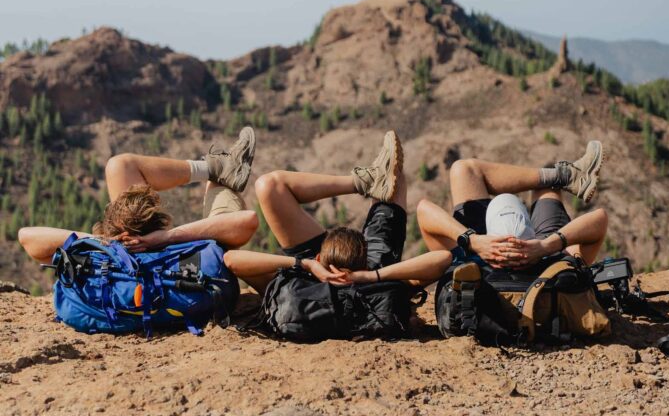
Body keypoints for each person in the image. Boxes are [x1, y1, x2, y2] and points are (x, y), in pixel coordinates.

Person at [226, 130, 453, 292]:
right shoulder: (380, 293)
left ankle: (362, 183)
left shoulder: (301, 298)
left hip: (317, 274)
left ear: (317, 257)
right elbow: (443, 258)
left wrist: (306, 265)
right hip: (369, 270)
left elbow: (232, 259)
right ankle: (368, 182)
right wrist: (371, 276)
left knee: (268, 186)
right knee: (394, 179)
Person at [18, 128, 259, 264]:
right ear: (160, 221)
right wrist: (165, 238)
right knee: (217, 185)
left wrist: (108, 244)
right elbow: (246, 222)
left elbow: (27, 237)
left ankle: (216, 167)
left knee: (118, 166)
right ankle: (216, 170)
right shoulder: (180, 247)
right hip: (180, 261)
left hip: (129, 259)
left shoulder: (105, 260)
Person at [416, 140, 609, 269]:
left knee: (463, 169)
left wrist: (475, 242)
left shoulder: (469, 268)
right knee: (548, 187)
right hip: (540, 255)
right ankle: (564, 176)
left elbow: (423, 210)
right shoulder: (557, 264)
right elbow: (600, 219)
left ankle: (564, 176)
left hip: (488, 253)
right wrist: (544, 246)